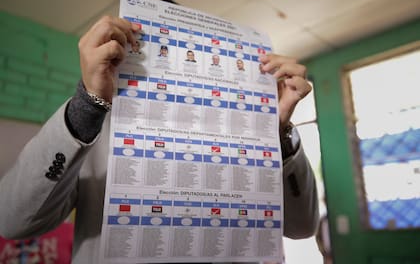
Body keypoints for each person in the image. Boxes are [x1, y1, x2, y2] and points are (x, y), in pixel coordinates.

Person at [0, 16, 319, 263]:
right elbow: (12, 221)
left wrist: (276, 132)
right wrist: (87, 105)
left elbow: (302, 227)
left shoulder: (242, 130)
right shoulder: (96, 123)